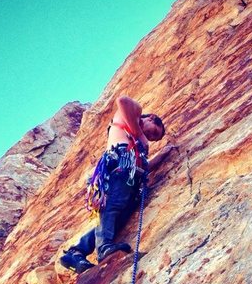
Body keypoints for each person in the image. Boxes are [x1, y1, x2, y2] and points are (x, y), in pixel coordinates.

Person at [60, 95, 174, 274]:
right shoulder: (134, 114)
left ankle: (77, 251)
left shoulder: (136, 139)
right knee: (112, 207)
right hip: (118, 168)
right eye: (153, 132)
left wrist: (163, 154)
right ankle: (104, 247)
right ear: (151, 118)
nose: (150, 137)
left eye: (154, 138)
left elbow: (145, 167)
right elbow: (122, 101)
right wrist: (140, 134)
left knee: (116, 219)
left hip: (128, 176)